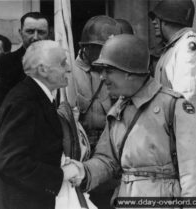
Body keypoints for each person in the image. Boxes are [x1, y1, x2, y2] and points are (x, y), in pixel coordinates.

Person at [68, 34, 196, 206]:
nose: (102, 77)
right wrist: (82, 171)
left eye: (109, 71)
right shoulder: (118, 109)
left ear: (129, 72)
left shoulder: (175, 107)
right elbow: (107, 160)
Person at [0, 40, 80, 209]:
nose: (68, 68)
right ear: (43, 69)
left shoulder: (36, 96)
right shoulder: (24, 101)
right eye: (62, 63)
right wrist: (60, 175)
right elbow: (10, 164)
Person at [73, 15, 133, 209]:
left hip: (111, 154)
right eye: (100, 48)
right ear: (86, 47)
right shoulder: (69, 73)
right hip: (82, 156)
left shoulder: (115, 72)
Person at [148, 0, 196, 120]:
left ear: (169, 18)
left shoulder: (189, 47)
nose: (154, 22)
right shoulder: (174, 46)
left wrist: (179, 136)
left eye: (157, 18)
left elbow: (189, 100)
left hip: (185, 131)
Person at [0, 12, 50, 114]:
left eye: (41, 32)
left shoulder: (57, 63)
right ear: (20, 33)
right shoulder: (4, 63)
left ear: (48, 34)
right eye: (30, 31)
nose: (35, 37)